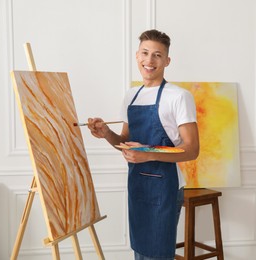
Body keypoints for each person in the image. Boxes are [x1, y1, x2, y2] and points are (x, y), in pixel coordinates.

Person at [87, 29, 200, 260]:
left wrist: (148, 154)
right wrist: (106, 133)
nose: (150, 60)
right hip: (137, 184)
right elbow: (124, 142)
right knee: (140, 251)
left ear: (167, 60)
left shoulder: (179, 96)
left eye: (157, 55)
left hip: (165, 188)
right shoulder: (131, 95)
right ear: (137, 56)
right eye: (145, 53)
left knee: (157, 254)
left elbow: (192, 150)